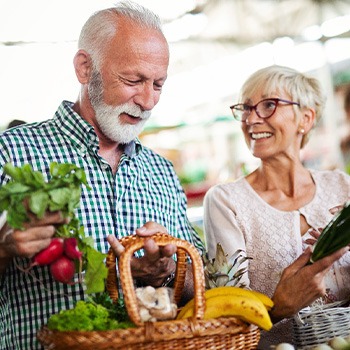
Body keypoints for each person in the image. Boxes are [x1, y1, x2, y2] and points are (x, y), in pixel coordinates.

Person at [0, 2, 204, 349]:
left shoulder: (161, 171)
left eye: (158, 84)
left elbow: (200, 288)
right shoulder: (11, 154)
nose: (148, 100)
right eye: (133, 80)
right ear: (84, 67)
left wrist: (169, 270)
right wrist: (3, 250)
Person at [203, 65, 350, 348]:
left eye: (268, 105)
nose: (251, 119)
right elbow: (229, 321)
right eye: (246, 108)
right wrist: (280, 306)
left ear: (305, 118)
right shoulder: (226, 202)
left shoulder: (342, 187)